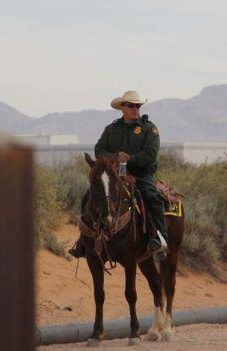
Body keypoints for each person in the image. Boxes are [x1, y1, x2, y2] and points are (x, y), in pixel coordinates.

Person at [69, 90, 168, 260]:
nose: (136, 109)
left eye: (138, 105)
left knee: (152, 197)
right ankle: (83, 240)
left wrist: (130, 159)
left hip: (141, 175)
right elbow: (99, 150)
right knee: (88, 196)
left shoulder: (149, 129)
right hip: (116, 174)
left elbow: (151, 154)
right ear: (122, 107)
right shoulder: (111, 129)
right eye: (131, 105)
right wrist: (115, 158)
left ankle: (160, 239)